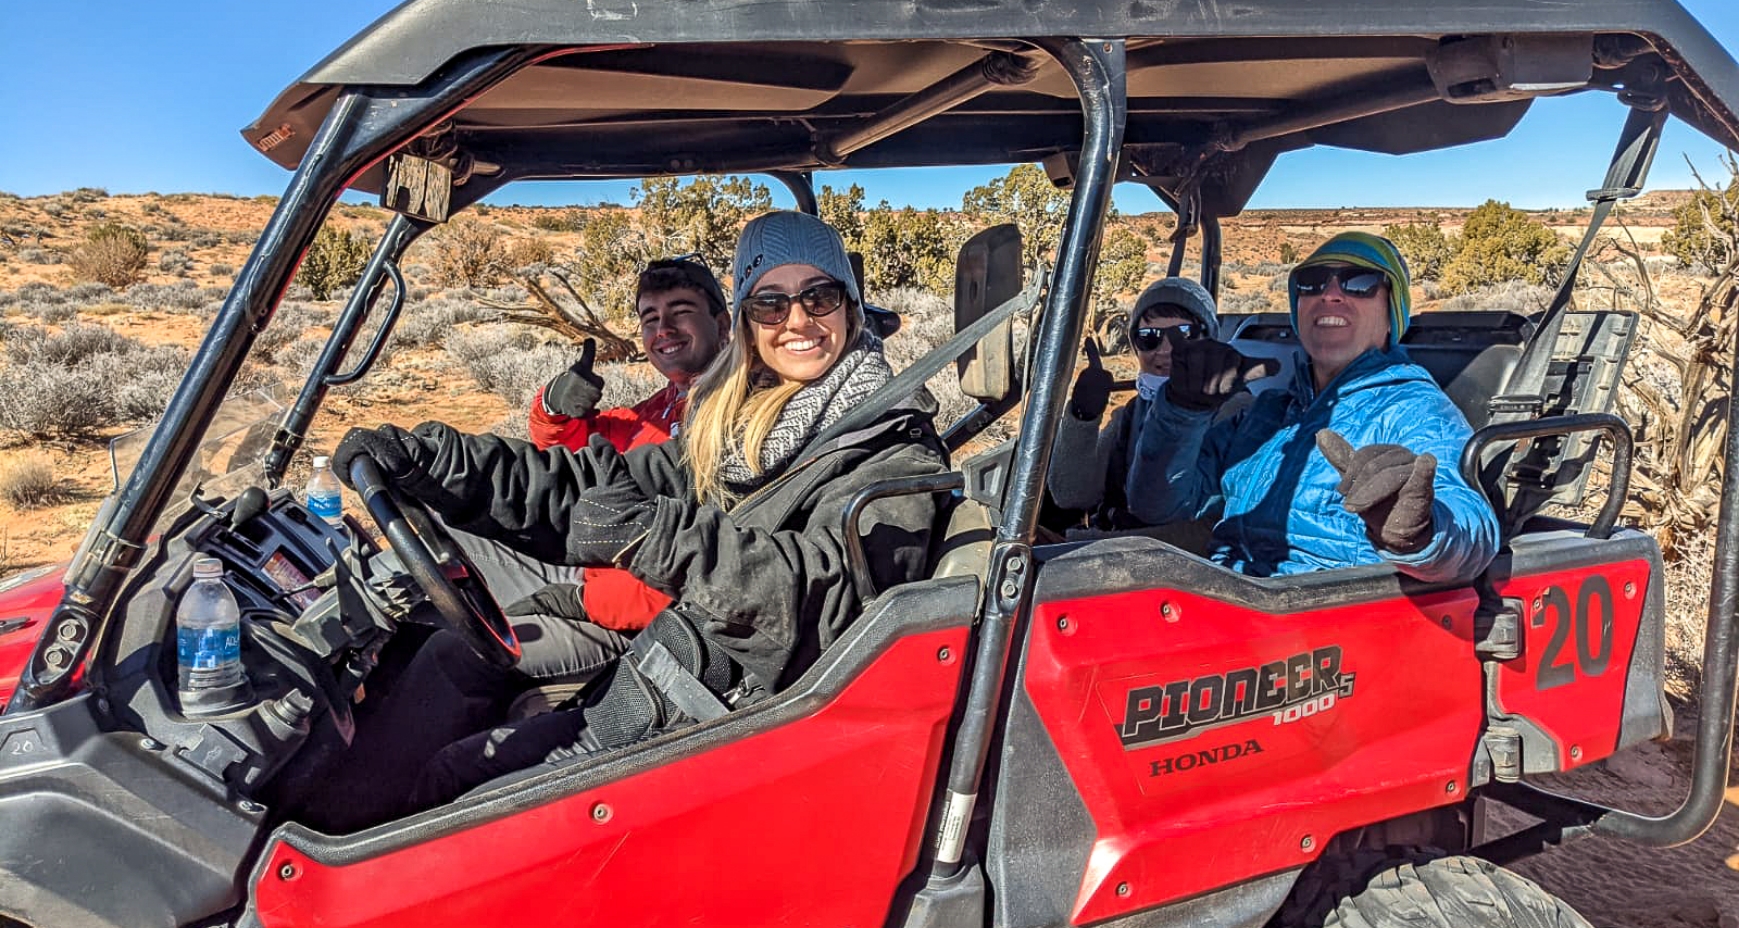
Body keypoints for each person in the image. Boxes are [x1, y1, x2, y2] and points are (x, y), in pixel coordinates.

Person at [331, 209, 947, 810]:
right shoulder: (752, 428)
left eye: (819, 296)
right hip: (669, 682)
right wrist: (433, 464)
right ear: (747, 323)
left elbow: (828, 603)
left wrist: (653, 536)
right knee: (453, 768)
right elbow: (588, 484)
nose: (797, 320)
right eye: (770, 303)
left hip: (724, 731)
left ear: (851, 305)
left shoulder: (890, 451)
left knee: (450, 787)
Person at [1124, 232, 1498, 583]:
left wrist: (1417, 532)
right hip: (1228, 598)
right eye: (1312, 282)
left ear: (1391, 316)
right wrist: (1181, 412)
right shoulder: (1267, 414)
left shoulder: (1412, 409)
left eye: (1360, 282)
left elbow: (1474, 531)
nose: (1330, 294)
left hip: (1326, 619)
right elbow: (1156, 507)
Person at [526, 256, 733, 635]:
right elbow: (574, 451)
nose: (663, 329)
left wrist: (581, 601)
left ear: (722, 325)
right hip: (593, 566)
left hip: (638, 629)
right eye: (650, 318)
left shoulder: (731, 412)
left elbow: (676, 551)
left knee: (457, 659)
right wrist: (554, 407)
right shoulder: (664, 404)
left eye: (680, 311)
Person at [1047, 277, 1224, 531]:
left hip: (1178, 558)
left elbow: (1205, 523)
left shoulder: (1233, 413)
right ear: (1135, 347)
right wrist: (1082, 417)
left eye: (1183, 335)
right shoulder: (1133, 413)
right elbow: (1071, 494)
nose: (1165, 351)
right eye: (1149, 337)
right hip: (1118, 548)